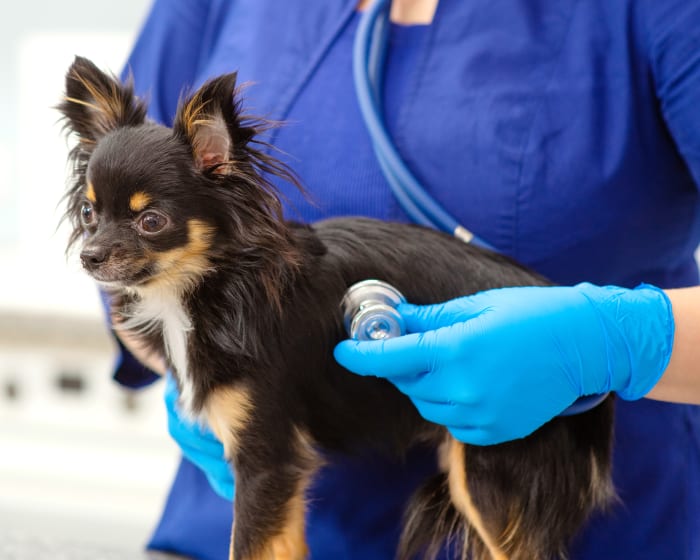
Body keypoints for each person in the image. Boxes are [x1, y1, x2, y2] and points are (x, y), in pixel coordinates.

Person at [108, 0, 700, 558]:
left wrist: (621, 339)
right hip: (236, 527)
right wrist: (210, 372)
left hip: (553, 503)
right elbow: (119, 208)